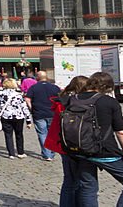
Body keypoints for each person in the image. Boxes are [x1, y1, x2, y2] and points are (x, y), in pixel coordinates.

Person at [71, 72, 123, 207]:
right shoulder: (109, 102)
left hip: (80, 150)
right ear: (107, 87)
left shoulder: (75, 98)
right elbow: (121, 132)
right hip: (104, 151)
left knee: (88, 187)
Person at [46, 75, 89, 207]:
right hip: (75, 141)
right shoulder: (74, 102)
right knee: (78, 180)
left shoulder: (63, 99)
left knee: (70, 179)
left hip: (63, 142)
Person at [24, 70, 60, 161]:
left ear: (37, 78)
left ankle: (46, 154)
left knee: (42, 134)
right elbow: (60, 99)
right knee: (52, 134)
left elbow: (27, 99)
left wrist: (31, 108)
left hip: (38, 113)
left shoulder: (33, 88)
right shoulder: (55, 87)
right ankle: (51, 152)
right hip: (52, 113)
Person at [0, 77, 32, 158]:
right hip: (18, 117)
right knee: (19, 134)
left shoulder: (0, 93)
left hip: (6, 116)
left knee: (8, 135)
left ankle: (11, 153)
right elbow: (24, 107)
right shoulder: (19, 94)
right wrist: (28, 120)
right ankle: (20, 152)